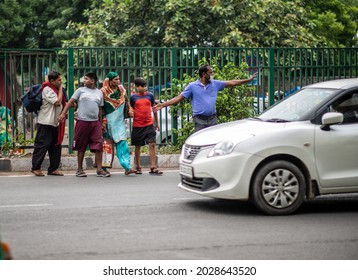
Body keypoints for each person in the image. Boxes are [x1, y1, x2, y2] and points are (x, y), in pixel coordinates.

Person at [152, 64, 257, 132]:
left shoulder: (215, 84)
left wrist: (248, 80)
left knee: (212, 141)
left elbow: (232, 82)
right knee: (201, 141)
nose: (212, 74)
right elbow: (179, 98)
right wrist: (162, 105)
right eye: (210, 73)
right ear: (203, 74)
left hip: (212, 119)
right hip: (199, 120)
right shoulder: (192, 86)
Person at [58, 72, 109, 178]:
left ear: (92, 81)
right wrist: (63, 113)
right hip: (82, 121)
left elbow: (99, 109)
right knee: (81, 145)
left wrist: (100, 124)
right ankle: (79, 169)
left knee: (98, 145)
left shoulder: (99, 93)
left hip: (95, 123)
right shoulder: (80, 90)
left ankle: (99, 169)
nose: (84, 81)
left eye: (86, 79)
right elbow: (70, 102)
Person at [31, 71, 66, 176]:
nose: (61, 82)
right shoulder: (47, 89)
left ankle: (53, 169)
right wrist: (60, 89)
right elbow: (57, 102)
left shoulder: (57, 89)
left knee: (56, 146)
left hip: (55, 123)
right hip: (45, 122)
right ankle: (35, 167)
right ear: (52, 81)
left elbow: (64, 103)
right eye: (59, 80)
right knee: (42, 146)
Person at [101, 72, 136, 175]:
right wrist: (102, 121)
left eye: (118, 79)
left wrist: (130, 108)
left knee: (123, 143)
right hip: (108, 121)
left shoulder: (121, 89)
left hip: (119, 121)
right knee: (107, 146)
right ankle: (104, 169)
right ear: (110, 81)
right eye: (115, 79)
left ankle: (127, 167)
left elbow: (127, 100)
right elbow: (101, 108)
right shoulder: (103, 91)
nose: (118, 81)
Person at [130, 77, 163, 175]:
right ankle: (138, 166)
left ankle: (153, 167)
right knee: (138, 146)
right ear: (137, 87)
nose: (144, 88)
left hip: (149, 124)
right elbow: (131, 108)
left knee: (152, 144)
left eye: (145, 86)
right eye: (142, 86)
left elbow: (154, 108)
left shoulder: (150, 95)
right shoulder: (133, 97)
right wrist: (131, 111)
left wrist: (156, 123)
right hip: (137, 125)